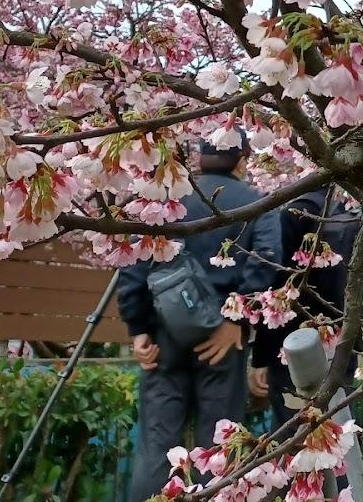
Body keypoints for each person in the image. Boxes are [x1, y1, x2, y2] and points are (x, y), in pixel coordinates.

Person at [118, 134, 281, 502]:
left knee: (157, 447)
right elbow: (267, 264)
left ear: (200, 157)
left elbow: (135, 264)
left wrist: (138, 329)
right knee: (219, 449)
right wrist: (234, 323)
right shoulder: (258, 204)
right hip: (221, 342)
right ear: (242, 160)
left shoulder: (165, 199)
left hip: (164, 338)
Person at [250, 188, 363, 425]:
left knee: (294, 430)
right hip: (341, 340)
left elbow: (275, 291)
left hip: (292, 344)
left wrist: (260, 359)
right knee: (339, 426)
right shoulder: (355, 213)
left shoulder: (295, 213)